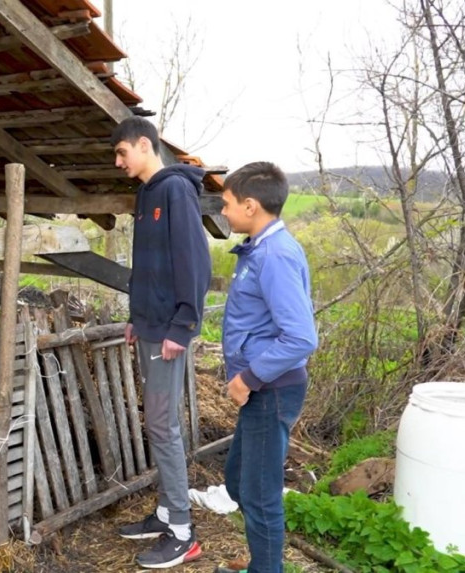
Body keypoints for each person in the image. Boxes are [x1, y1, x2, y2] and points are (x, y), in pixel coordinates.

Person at [112, 117, 211, 569]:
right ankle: (168, 512)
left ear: (144, 145)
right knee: (157, 423)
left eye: (122, 152)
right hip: (150, 327)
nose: (118, 162)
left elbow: (194, 263)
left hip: (169, 331)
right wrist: (138, 317)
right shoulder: (145, 194)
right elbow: (147, 265)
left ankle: (183, 532)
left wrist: (182, 325)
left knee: (163, 425)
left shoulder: (175, 190)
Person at [214, 162, 319, 573]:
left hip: (270, 388)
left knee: (259, 496)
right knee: (239, 480)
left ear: (251, 205)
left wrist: (249, 377)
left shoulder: (274, 255)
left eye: (227, 204)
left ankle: (266, 567)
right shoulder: (259, 250)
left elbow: (301, 337)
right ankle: (263, 560)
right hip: (263, 389)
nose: (223, 212)